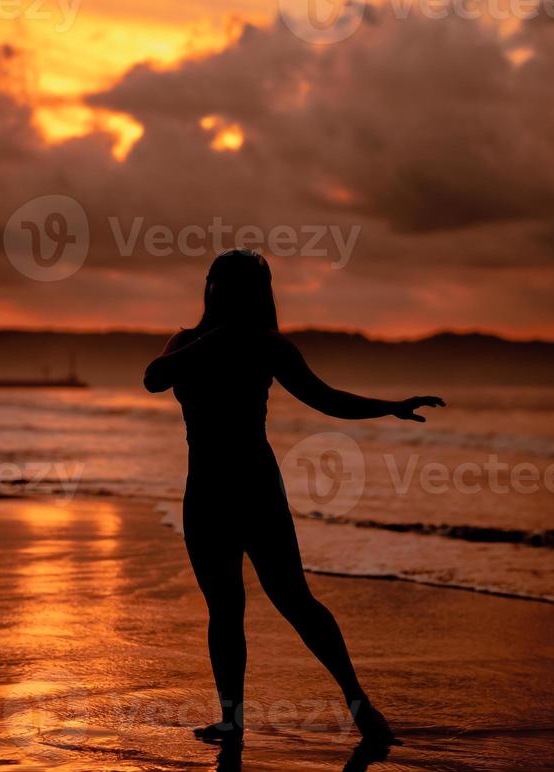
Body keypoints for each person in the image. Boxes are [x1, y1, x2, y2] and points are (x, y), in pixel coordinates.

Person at [144, 249, 445, 743]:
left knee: (294, 600)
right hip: (205, 494)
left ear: (253, 294)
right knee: (224, 607)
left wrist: (390, 406)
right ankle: (231, 720)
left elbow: (325, 398)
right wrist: (218, 337)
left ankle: (360, 704)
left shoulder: (269, 346)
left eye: (235, 285)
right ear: (210, 287)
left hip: (258, 489)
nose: (223, 291)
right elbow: (154, 378)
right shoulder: (189, 341)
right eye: (218, 282)